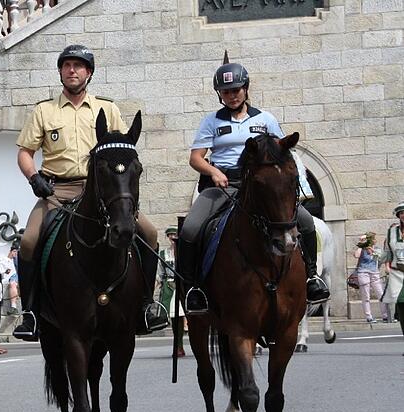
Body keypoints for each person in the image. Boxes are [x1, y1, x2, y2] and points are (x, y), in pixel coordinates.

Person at [14, 45, 168, 341]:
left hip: (103, 191)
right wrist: (34, 178)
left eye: (78, 66)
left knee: (149, 233)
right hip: (57, 191)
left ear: (89, 73)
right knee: (29, 241)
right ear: (60, 72)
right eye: (66, 65)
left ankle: (146, 305)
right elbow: (25, 153)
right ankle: (30, 312)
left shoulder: (107, 109)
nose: (72, 70)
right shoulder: (44, 111)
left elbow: (124, 148)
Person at [179, 55, 330, 314]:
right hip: (225, 184)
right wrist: (213, 171)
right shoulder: (211, 122)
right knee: (191, 229)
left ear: (246, 89)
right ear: (220, 94)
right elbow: (196, 158)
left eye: (236, 90)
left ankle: (312, 277)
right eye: (226, 92)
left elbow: (282, 152)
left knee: (305, 222)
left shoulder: (266, 119)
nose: (232, 96)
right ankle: (194, 289)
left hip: (262, 187)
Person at [158, 226, 185, 357]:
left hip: (182, 286)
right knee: (174, 318)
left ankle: (180, 345)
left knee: (182, 315)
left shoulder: (184, 253)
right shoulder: (163, 254)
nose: (172, 237)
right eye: (170, 235)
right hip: (169, 286)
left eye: (174, 235)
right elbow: (160, 273)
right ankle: (178, 346)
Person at [353, 232, 389, 323]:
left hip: (375, 273)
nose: (375, 240)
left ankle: (385, 315)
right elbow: (356, 255)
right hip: (363, 273)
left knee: (381, 294)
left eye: (374, 238)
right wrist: (361, 244)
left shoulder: (377, 249)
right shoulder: (362, 249)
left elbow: (379, 256)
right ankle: (369, 316)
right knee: (366, 296)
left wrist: (370, 248)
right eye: (373, 238)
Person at [382, 202, 404, 346]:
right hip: (398, 273)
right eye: (401, 213)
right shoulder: (392, 232)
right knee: (400, 305)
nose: (403, 215)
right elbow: (387, 253)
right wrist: (379, 260)